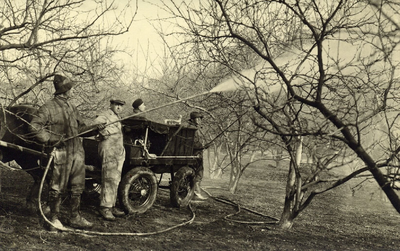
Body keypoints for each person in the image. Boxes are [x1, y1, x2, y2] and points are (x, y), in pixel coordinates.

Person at [30, 74, 105, 231]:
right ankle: (54, 219)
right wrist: (51, 139)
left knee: (78, 186)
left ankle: (75, 217)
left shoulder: (72, 108)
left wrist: (94, 127)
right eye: (71, 88)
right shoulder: (48, 107)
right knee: (57, 187)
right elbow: (34, 126)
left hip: (77, 152)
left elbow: (81, 129)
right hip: (60, 153)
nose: (73, 91)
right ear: (65, 90)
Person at [94, 99, 126, 221]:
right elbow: (97, 123)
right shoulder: (105, 115)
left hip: (117, 152)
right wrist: (102, 131)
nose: (119, 107)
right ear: (111, 105)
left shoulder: (118, 117)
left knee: (115, 179)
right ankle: (105, 208)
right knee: (109, 178)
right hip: (109, 151)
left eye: (121, 105)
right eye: (116, 104)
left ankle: (111, 205)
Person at [187, 111, 208, 200]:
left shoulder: (196, 128)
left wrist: (204, 146)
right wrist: (202, 146)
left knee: (198, 172)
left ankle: (193, 192)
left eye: (200, 118)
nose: (199, 120)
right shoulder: (192, 129)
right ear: (192, 119)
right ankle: (196, 193)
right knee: (198, 173)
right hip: (195, 154)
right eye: (197, 118)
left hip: (198, 153)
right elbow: (193, 144)